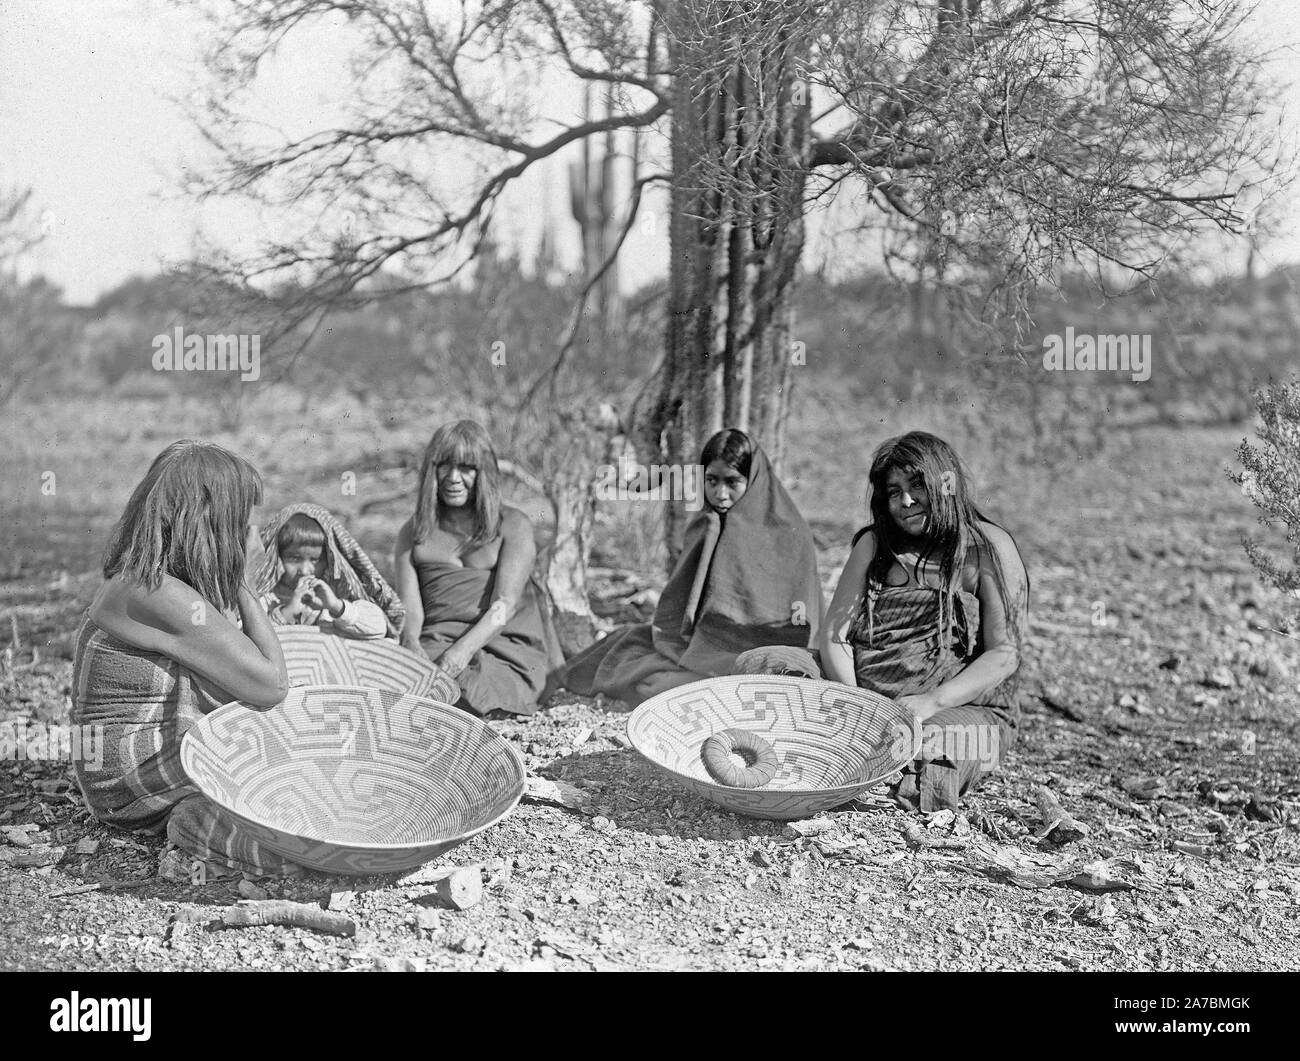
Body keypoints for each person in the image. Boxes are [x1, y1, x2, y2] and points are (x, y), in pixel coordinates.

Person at [735, 431, 1029, 812]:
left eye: (916, 485)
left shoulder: (988, 547)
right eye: (893, 492)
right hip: (858, 693)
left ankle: (839, 756)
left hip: (946, 704)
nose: (906, 501)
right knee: (762, 667)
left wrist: (930, 702)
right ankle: (840, 747)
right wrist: (856, 702)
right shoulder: (875, 545)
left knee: (941, 749)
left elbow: (1005, 653)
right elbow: (837, 637)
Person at [70, 440, 300, 877]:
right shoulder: (160, 596)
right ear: (211, 524)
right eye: (242, 522)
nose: (250, 534)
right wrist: (243, 580)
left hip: (118, 770)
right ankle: (195, 824)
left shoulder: (143, 578)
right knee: (287, 770)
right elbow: (270, 686)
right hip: (128, 787)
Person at [561, 428, 824, 706]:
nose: (720, 494)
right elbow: (683, 607)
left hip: (768, 647)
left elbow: (799, 619)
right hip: (707, 646)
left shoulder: (788, 534)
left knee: (673, 686)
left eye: (732, 482)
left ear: (754, 479)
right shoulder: (707, 523)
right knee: (635, 664)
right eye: (712, 480)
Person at [393, 420, 564, 716]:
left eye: (466, 468)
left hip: (500, 643)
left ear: (483, 472)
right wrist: (413, 652)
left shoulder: (514, 524)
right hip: (435, 641)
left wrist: (457, 656)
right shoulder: (414, 532)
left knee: (476, 686)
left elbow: (505, 605)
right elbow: (411, 612)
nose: (453, 478)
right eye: (444, 465)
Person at [250, 502, 404, 639]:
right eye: (294, 559)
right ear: (276, 558)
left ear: (329, 560)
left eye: (315, 560)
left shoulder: (336, 594)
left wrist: (336, 606)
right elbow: (248, 640)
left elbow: (379, 628)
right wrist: (287, 612)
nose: (304, 571)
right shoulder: (264, 601)